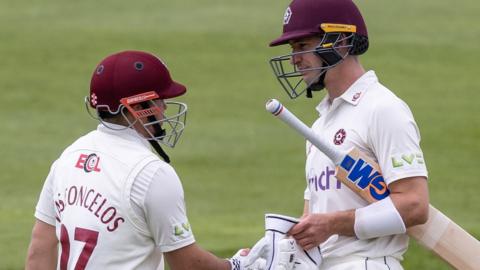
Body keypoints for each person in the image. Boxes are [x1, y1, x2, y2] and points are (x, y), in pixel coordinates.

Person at [25, 50, 267, 270]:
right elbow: (187, 264)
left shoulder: (68, 157)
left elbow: (39, 249)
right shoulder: (150, 173)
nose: (164, 108)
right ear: (136, 107)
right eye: (159, 100)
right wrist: (236, 265)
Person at [268, 0, 429, 269]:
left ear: (340, 42)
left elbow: (414, 205)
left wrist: (332, 224)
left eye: (303, 46)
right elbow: (315, 217)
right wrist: (278, 249)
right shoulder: (321, 126)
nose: (295, 59)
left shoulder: (382, 108)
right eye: (293, 48)